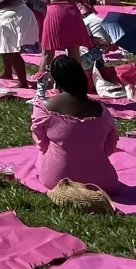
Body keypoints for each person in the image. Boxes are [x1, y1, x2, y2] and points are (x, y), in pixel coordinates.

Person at [32, 57, 120, 191]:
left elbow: (41, 143)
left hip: (59, 180)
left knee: (44, 156)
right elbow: (111, 143)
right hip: (103, 181)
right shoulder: (102, 109)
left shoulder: (44, 107)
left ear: (57, 81)